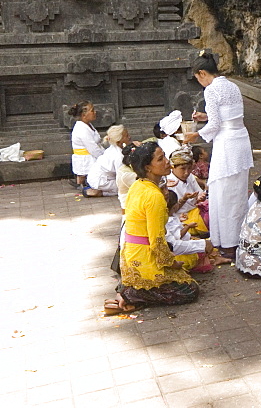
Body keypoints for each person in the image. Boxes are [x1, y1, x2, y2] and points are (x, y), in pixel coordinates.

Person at [104, 142, 199, 315]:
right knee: (190, 290)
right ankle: (132, 295)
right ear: (148, 167)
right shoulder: (154, 195)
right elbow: (157, 240)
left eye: (164, 157)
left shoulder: (138, 185)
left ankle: (129, 293)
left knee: (184, 277)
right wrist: (172, 263)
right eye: (160, 159)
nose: (167, 162)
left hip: (132, 255)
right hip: (145, 255)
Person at [182, 51, 253, 260]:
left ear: (202, 73)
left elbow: (214, 125)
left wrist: (196, 135)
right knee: (237, 192)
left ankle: (227, 244)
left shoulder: (211, 90)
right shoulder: (232, 85)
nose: (200, 83)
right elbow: (228, 116)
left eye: (197, 78)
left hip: (227, 143)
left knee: (223, 194)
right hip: (240, 139)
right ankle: (237, 238)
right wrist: (205, 117)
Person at [165, 148, 209, 237]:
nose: (186, 172)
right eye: (183, 169)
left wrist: (200, 197)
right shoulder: (169, 183)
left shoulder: (190, 177)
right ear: (173, 167)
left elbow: (199, 193)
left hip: (196, 210)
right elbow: (170, 211)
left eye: (189, 169)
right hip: (182, 217)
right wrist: (184, 199)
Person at [85, 125, 130, 198]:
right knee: (127, 188)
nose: (129, 137)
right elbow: (121, 176)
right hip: (100, 180)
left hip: (95, 176)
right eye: (126, 136)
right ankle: (98, 192)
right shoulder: (118, 156)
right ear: (119, 141)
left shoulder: (114, 147)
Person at [70, 101, 104, 189]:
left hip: (92, 155)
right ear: (84, 115)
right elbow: (92, 148)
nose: (95, 112)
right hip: (87, 160)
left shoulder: (88, 125)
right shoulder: (82, 129)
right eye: (92, 111)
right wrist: (104, 158)